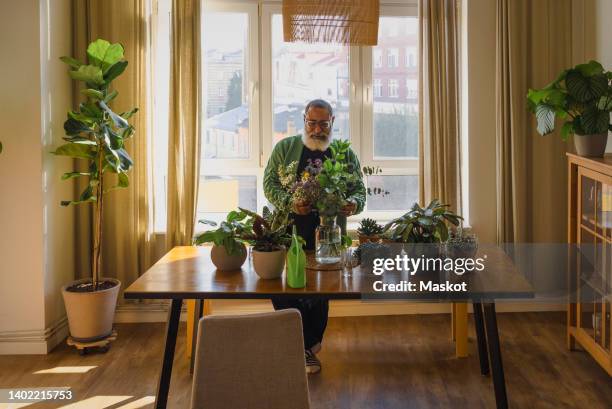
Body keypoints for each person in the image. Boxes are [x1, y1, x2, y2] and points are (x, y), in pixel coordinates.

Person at [263, 99, 366, 374]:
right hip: (289, 232)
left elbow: (359, 190)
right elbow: (269, 184)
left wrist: (353, 204)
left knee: (321, 291)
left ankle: (305, 347)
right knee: (286, 290)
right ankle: (304, 347)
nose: (318, 129)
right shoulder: (285, 148)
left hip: (329, 234)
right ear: (304, 120)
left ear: (333, 121)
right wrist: (289, 202)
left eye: (323, 123)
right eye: (312, 122)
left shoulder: (344, 153)